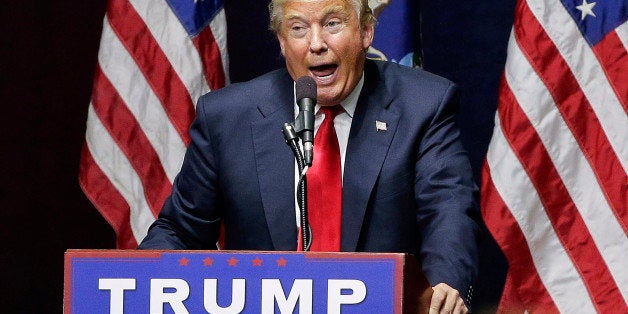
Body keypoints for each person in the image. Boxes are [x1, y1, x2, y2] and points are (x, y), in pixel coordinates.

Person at [139, 0, 480, 312]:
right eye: (298, 28)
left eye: (333, 24)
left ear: (365, 31)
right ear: (282, 42)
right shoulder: (227, 118)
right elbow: (180, 231)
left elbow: (447, 212)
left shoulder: (423, 105)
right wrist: (137, 283)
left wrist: (445, 284)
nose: (316, 43)